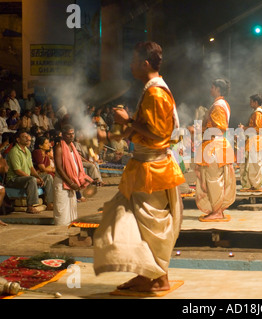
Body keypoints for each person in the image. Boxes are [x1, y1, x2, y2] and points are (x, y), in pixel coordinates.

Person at [93, 41, 185, 293]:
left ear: (145, 63)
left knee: (149, 226)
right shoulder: (152, 89)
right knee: (136, 224)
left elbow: (157, 135)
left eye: (133, 61)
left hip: (151, 169)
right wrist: (112, 136)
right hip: (146, 166)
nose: (130, 65)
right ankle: (147, 275)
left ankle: (158, 278)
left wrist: (128, 119)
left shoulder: (155, 92)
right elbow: (143, 133)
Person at [195, 78, 236, 221]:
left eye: (212, 87)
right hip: (216, 145)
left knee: (214, 180)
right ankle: (216, 210)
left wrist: (199, 130)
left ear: (218, 89)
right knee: (214, 179)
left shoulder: (218, 105)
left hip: (215, 146)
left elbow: (218, 129)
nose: (210, 89)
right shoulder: (221, 104)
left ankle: (217, 212)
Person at [5, 129, 54, 214]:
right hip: (13, 179)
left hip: (25, 178)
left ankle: (50, 203)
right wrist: (33, 178)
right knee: (31, 180)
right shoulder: (14, 151)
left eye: (27, 136)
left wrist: (38, 177)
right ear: (18, 139)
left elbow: (31, 168)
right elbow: (17, 171)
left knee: (48, 177)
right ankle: (30, 206)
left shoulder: (27, 151)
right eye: (24, 137)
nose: (27, 138)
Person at [53, 125, 93, 226]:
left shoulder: (73, 146)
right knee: (62, 209)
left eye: (72, 134)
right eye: (68, 134)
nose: (71, 136)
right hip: (62, 182)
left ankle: (69, 227)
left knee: (71, 208)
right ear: (63, 135)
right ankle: (60, 229)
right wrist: (70, 182)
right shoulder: (59, 148)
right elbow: (59, 168)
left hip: (71, 182)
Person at [239, 94, 262, 190]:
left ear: (256, 102)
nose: (250, 103)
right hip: (255, 141)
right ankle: (253, 184)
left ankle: (254, 185)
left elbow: (256, 129)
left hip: (256, 141)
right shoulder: (256, 113)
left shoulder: (258, 114)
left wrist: (244, 128)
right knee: (253, 164)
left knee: (253, 165)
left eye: (251, 102)